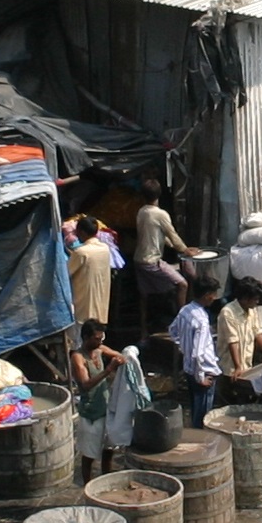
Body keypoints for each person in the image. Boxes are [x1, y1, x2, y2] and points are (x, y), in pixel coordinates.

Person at [72, 319, 129, 483]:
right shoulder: (78, 358)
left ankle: (106, 480)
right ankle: (87, 484)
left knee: (108, 450)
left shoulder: (100, 350)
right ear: (85, 337)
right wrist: (108, 370)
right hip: (90, 413)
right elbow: (86, 384)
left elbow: (120, 356)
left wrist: (126, 358)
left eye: (101, 338)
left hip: (105, 408)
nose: (99, 342)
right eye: (96, 339)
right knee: (89, 455)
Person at [133, 180, 195, 313]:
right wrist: (185, 250)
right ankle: (182, 321)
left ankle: (144, 329)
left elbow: (161, 236)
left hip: (139, 260)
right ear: (159, 194)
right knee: (183, 284)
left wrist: (175, 246)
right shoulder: (161, 214)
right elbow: (173, 235)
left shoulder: (141, 211)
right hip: (152, 262)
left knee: (144, 295)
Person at [171, 275, 222, 426]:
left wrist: (183, 347)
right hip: (204, 371)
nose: (214, 298)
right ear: (207, 295)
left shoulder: (185, 310)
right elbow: (198, 353)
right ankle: (200, 443)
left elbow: (173, 330)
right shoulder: (202, 320)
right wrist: (201, 378)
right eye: (213, 294)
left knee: (195, 409)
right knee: (203, 417)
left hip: (189, 369)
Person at [67, 215, 113, 334]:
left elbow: (66, 274)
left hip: (83, 308)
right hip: (100, 308)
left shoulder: (81, 252)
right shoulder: (105, 249)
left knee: (80, 344)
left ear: (81, 232)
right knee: (96, 342)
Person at [216, 278, 262, 374]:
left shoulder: (252, 311)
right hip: (229, 368)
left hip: (246, 366)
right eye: (255, 299)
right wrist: (238, 366)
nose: (257, 302)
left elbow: (257, 334)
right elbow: (232, 341)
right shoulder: (228, 312)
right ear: (245, 298)